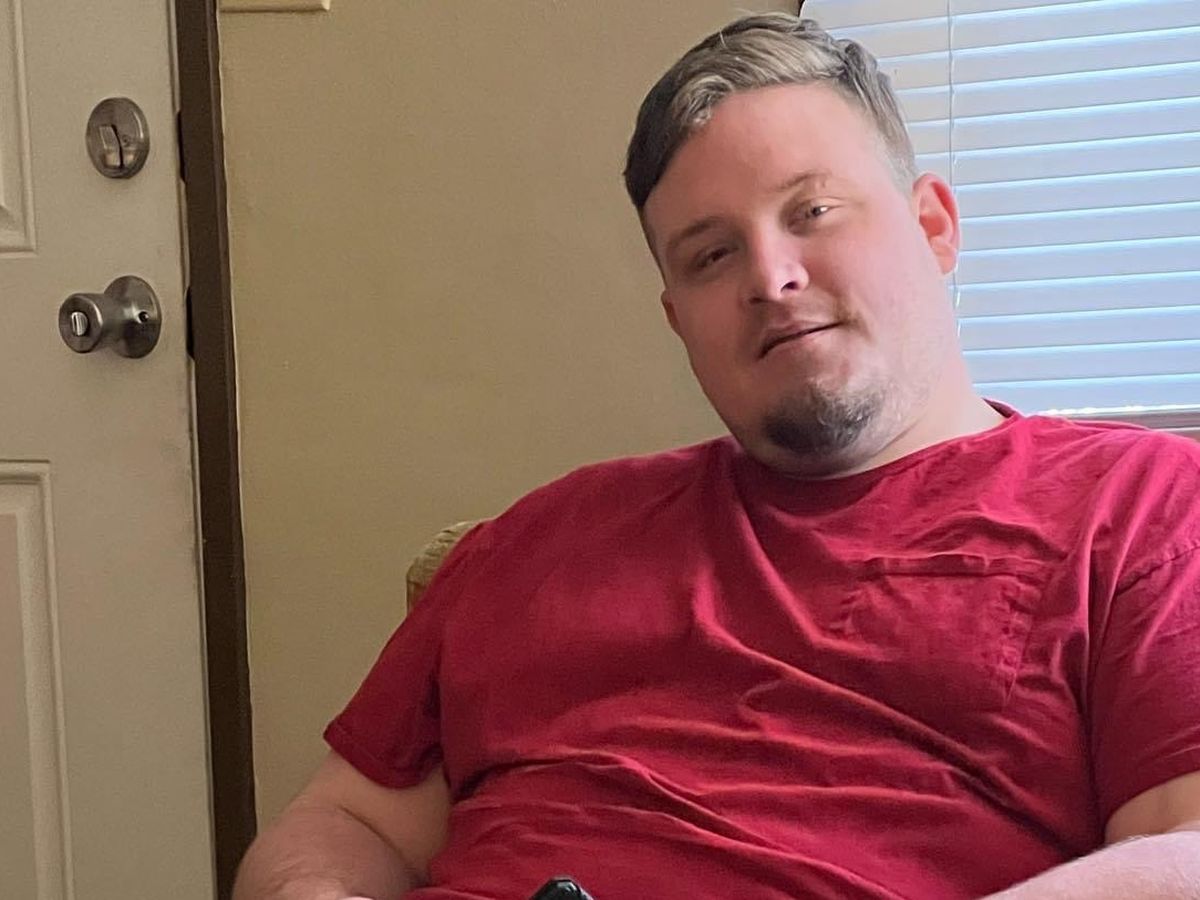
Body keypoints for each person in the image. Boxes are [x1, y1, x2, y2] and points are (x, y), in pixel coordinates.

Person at [233, 13, 1200, 899]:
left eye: (812, 212)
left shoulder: (1138, 509)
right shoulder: (540, 535)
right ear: (677, 317)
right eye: (710, 255)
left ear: (933, 227)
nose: (770, 279)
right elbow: (347, 821)